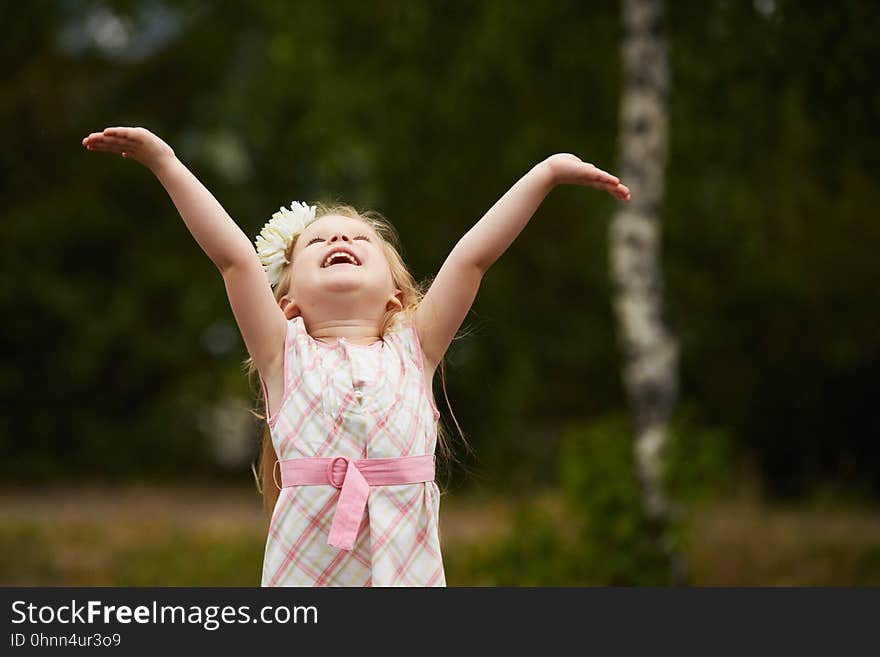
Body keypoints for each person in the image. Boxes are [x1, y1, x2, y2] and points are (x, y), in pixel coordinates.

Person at [82, 126, 630, 586]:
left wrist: (546, 174)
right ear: (288, 298)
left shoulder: (416, 349)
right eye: (317, 242)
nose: (338, 239)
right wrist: (166, 162)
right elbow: (233, 260)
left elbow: (472, 259)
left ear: (395, 293)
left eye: (359, 239)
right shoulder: (283, 354)